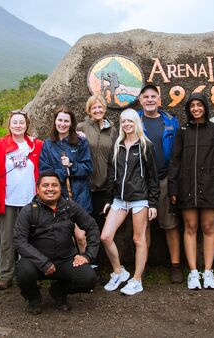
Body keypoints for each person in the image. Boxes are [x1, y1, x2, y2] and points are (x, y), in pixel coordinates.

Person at [167, 92, 214, 290]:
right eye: (192, 105)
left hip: (210, 185)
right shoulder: (182, 131)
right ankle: (193, 272)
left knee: (209, 227)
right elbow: (175, 161)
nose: (196, 108)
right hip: (186, 186)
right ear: (188, 108)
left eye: (199, 105)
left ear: (205, 107)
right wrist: (173, 187)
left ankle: (208, 272)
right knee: (190, 227)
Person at [14, 171, 99, 314]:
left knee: (89, 278)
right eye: (45, 185)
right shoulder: (28, 211)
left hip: (65, 260)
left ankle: (59, 291)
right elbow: (19, 240)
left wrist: (88, 255)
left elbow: (92, 227)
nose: (50, 189)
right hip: (37, 262)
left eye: (54, 185)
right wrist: (43, 262)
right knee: (23, 272)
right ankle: (33, 298)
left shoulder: (70, 207)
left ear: (60, 188)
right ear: (38, 189)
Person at [100, 108, 159, 296]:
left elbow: (152, 177)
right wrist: (109, 200)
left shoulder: (145, 145)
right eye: (123, 121)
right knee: (106, 236)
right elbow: (111, 175)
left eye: (130, 121)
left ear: (136, 123)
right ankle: (119, 272)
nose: (126, 124)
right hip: (119, 199)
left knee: (138, 239)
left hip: (139, 199)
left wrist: (153, 203)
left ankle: (137, 280)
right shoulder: (117, 145)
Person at [0, 110, 43, 291]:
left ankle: (27, 273)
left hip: (30, 199)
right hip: (7, 198)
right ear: (9, 125)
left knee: (30, 237)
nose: (18, 125)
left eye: (21, 122)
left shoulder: (37, 145)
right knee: (7, 239)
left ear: (27, 125)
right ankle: (6, 275)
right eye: (15, 122)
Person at [136, 83, 182, 283]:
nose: (149, 100)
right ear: (140, 100)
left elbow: (178, 153)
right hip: (141, 181)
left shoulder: (171, 122)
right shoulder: (133, 120)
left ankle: (175, 266)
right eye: (146, 96)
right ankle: (142, 266)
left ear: (159, 99)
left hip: (164, 179)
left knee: (170, 224)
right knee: (143, 226)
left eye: (153, 96)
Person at [39, 106, 93, 252]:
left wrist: (72, 166)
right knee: (64, 237)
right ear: (55, 122)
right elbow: (44, 172)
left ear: (71, 123)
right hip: (58, 197)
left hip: (80, 195)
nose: (62, 124)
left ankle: (88, 267)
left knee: (81, 236)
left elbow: (88, 167)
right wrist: (64, 171)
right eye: (60, 120)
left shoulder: (81, 142)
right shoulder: (48, 145)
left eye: (66, 121)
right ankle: (71, 268)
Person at [76, 94, 115, 231]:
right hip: (87, 184)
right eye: (94, 108)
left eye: (100, 107)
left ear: (104, 109)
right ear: (89, 110)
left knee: (104, 225)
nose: (97, 110)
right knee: (87, 225)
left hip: (106, 185)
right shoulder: (81, 128)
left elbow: (115, 155)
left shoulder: (112, 129)